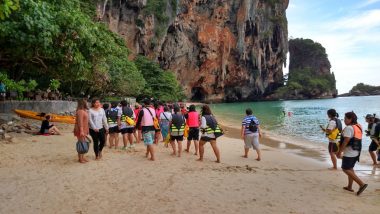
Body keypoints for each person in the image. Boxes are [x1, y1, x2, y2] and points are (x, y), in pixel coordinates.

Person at [336, 112, 368, 195]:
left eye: (346, 118)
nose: (344, 120)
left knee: (345, 168)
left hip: (349, 153)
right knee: (350, 169)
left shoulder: (349, 128)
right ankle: (349, 187)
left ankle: (361, 184)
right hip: (356, 152)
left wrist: (340, 152)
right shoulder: (358, 126)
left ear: (350, 119)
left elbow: (346, 141)